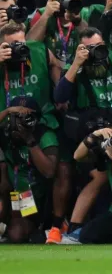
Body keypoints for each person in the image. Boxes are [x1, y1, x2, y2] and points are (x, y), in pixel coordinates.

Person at [0, 96, 58, 243]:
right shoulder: (7, 134)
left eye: (27, 118)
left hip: (36, 197)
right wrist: (7, 111)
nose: (21, 122)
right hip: (15, 194)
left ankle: (39, 228)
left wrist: (29, 140)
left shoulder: (44, 136)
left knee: (16, 233)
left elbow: (49, 172)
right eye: (17, 117)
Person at [27, 0, 93, 65]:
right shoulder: (42, 13)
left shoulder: (87, 14)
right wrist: (46, 15)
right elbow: (30, 45)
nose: (68, 2)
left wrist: (78, 22)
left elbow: (93, 45)